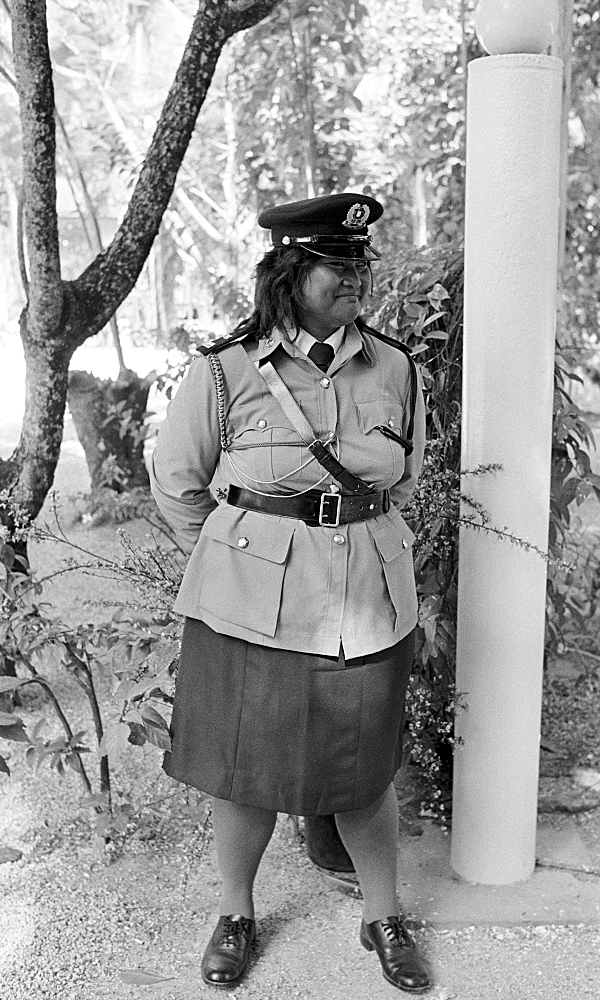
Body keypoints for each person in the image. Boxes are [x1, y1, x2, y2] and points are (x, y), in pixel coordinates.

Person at [149, 192, 431, 993]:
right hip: (249, 606)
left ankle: (383, 915)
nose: (354, 279)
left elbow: (400, 477)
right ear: (288, 274)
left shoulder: (395, 367)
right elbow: (178, 487)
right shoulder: (225, 370)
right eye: (336, 267)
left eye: (359, 265)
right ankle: (235, 912)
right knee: (243, 770)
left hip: (365, 603)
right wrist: (244, 554)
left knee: (365, 769)